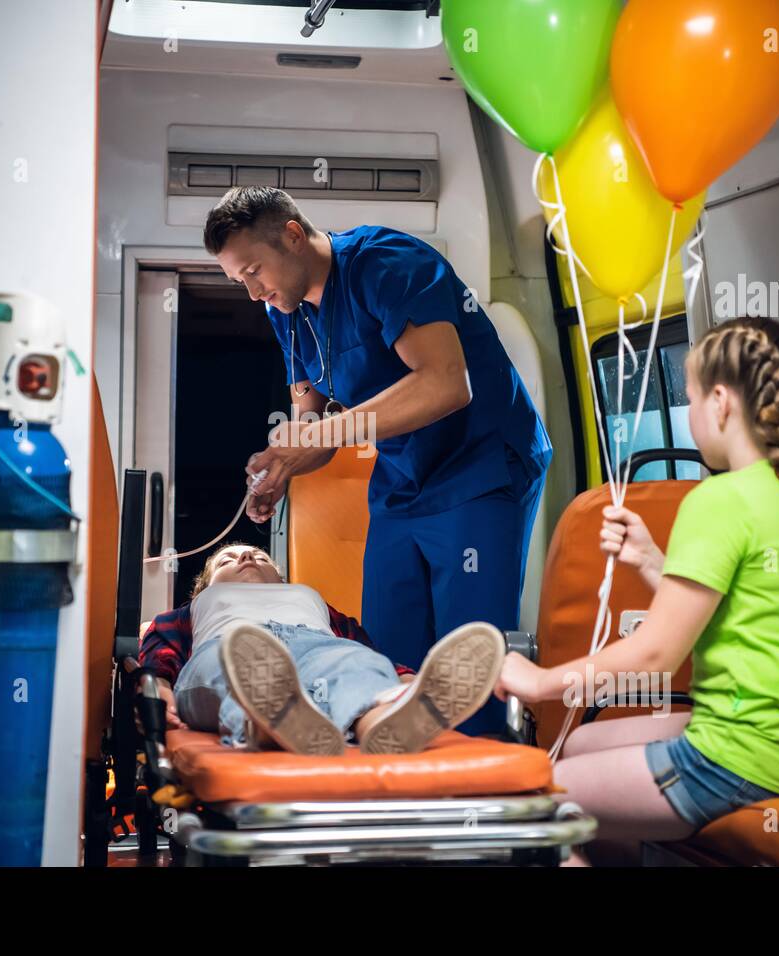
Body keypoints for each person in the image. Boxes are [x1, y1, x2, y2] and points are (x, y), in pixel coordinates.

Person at [494, 317, 779, 866]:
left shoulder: (717, 500)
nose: (688, 416)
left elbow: (657, 654)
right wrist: (652, 562)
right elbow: (745, 609)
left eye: (690, 400)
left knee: (539, 804)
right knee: (579, 745)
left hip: (751, 755)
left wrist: (541, 681)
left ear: (720, 403)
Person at [204, 186, 552, 736]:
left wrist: (319, 436)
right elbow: (312, 428)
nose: (252, 292)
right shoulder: (287, 312)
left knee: (466, 657)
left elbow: (445, 384)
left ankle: (480, 794)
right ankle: (394, 789)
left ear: (292, 235)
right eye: (237, 280)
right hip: (402, 479)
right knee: (388, 651)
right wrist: (283, 469)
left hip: (480, 466)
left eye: (253, 270)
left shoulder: (387, 264)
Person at [138, 543, 505, 755]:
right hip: (229, 647)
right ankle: (268, 724)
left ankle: (385, 723)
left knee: (353, 665)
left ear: (281, 579)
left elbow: (361, 651)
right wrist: (158, 693)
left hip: (317, 645)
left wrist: (406, 680)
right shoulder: (192, 611)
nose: (247, 558)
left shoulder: (312, 603)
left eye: (260, 557)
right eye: (227, 560)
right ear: (204, 587)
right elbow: (160, 654)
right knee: (236, 668)